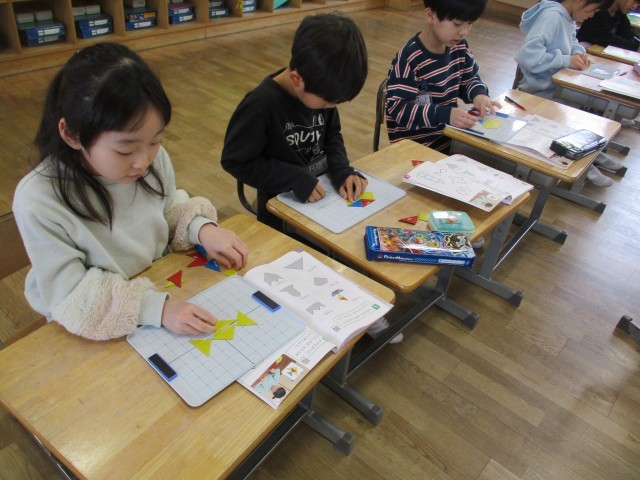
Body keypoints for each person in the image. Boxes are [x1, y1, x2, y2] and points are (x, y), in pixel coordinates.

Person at [12, 42, 249, 341]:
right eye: (125, 150)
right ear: (72, 135)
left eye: (155, 141)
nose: (143, 161)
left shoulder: (150, 160)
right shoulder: (39, 199)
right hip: (95, 320)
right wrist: (157, 309)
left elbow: (166, 208)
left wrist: (203, 230)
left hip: (155, 282)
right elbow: (71, 294)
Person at [221, 12, 369, 232]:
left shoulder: (320, 89)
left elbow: (331, 135)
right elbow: (235, 161)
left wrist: (342, 170)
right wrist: (294, 178)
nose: (330, 108)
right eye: (327, 102)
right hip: (281, 214)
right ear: (297, 80)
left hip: (324, 204)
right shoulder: (260, 105)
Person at [515, 0, 621, 188]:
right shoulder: (552, 16)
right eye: (592, 10)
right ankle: (580, 162)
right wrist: (566, 60)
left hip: (555, 87)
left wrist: (579, 53)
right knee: (571, 119)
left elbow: (571, 41)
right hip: (538, 92)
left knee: (581, 113)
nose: (591, 15)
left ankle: (590, 154)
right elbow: (528, 57)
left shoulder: (567, 17)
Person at [385, 0, 501, 153]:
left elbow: (469, 79)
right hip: (415, 148)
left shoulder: (459, 47)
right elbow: (399, 109)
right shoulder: (409, 58)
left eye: (469, 24)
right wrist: (444, 114)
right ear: (431, 15)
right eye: (457, 24)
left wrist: (478, 95)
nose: (463, 32)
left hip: (450, 140)